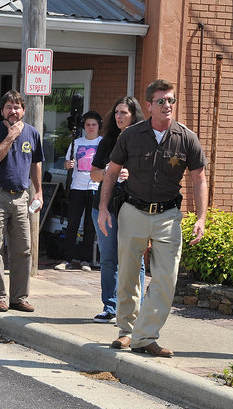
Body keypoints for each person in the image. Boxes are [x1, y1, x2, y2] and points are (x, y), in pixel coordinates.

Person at [98, 79, 208, 357]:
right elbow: (111, 172)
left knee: (166, 277)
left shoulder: (186, 138)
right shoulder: (131, 136)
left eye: (171, 100)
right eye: (161, 101)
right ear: (149, 106)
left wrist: (201, 217)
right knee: (127, 274)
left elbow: (199, 179)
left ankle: (145, 336)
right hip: (133, 211)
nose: (167, 105)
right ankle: (126, 331)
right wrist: (102, 209)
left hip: (168, 215)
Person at [0, 90, 43, 313]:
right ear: (2, 111)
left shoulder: (33, 133)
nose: (13, 111)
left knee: (23, 248)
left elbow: (36, 163)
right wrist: (10, 137)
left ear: (23, 111)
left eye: (17, 107)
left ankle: (19, 298)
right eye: (8, 107)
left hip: (20, 196)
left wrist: (39, 192)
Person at [90, 97, 145, 323]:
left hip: (133, 207)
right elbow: (93, 174)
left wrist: (131, 174)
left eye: (124, 113)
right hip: (104, 207)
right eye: (116, 113)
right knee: (109, 258)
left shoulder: (144, 140)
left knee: (135, 259)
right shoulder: (108, 140)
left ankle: (135, 308)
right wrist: (107, 174)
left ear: (134, 115)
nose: (119, 117)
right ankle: (110, 306)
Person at [54, 111, 102, 272]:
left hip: (94, 187)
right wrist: (67, 165)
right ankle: (67, 258)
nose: (90, 127)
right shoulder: (77, 142)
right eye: (88, 124)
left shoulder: (102, 143)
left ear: (98, 126)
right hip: (77, 187)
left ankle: (85, 260)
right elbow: (67, 162)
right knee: (73, 222)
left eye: (93, 124)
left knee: (90, 225)